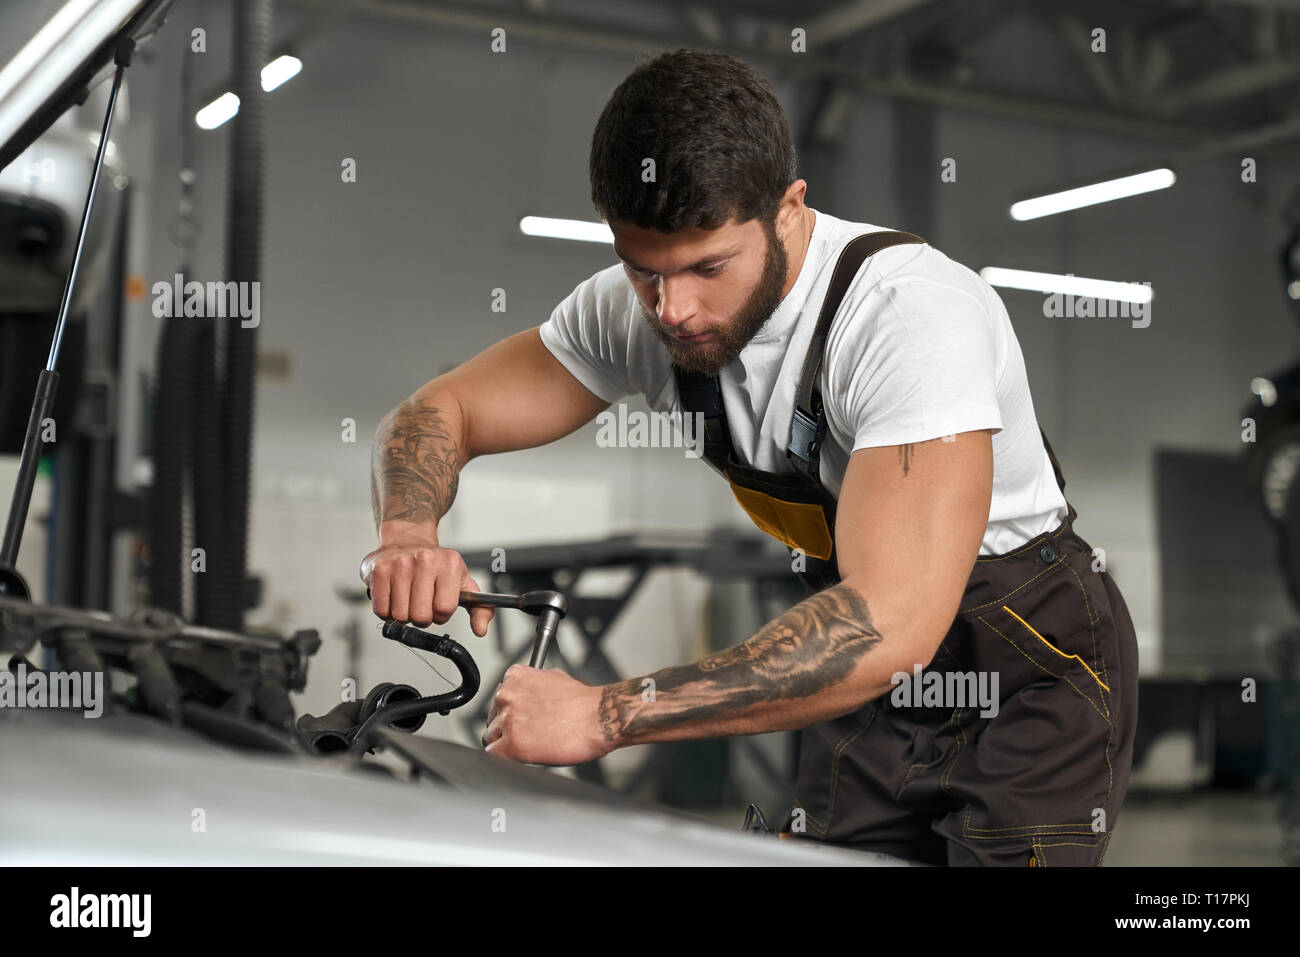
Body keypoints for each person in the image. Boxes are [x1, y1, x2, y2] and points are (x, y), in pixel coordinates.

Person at [360, 49, 1139, 866]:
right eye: (643, 271)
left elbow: (892, 622)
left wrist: (606, 713)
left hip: (1027, 663)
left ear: (790, 211)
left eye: (709, 266)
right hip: (863, 663)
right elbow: (435, 411)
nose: (675, 309)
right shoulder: (640, 311)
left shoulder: (907, 317)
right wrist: (409, 526)